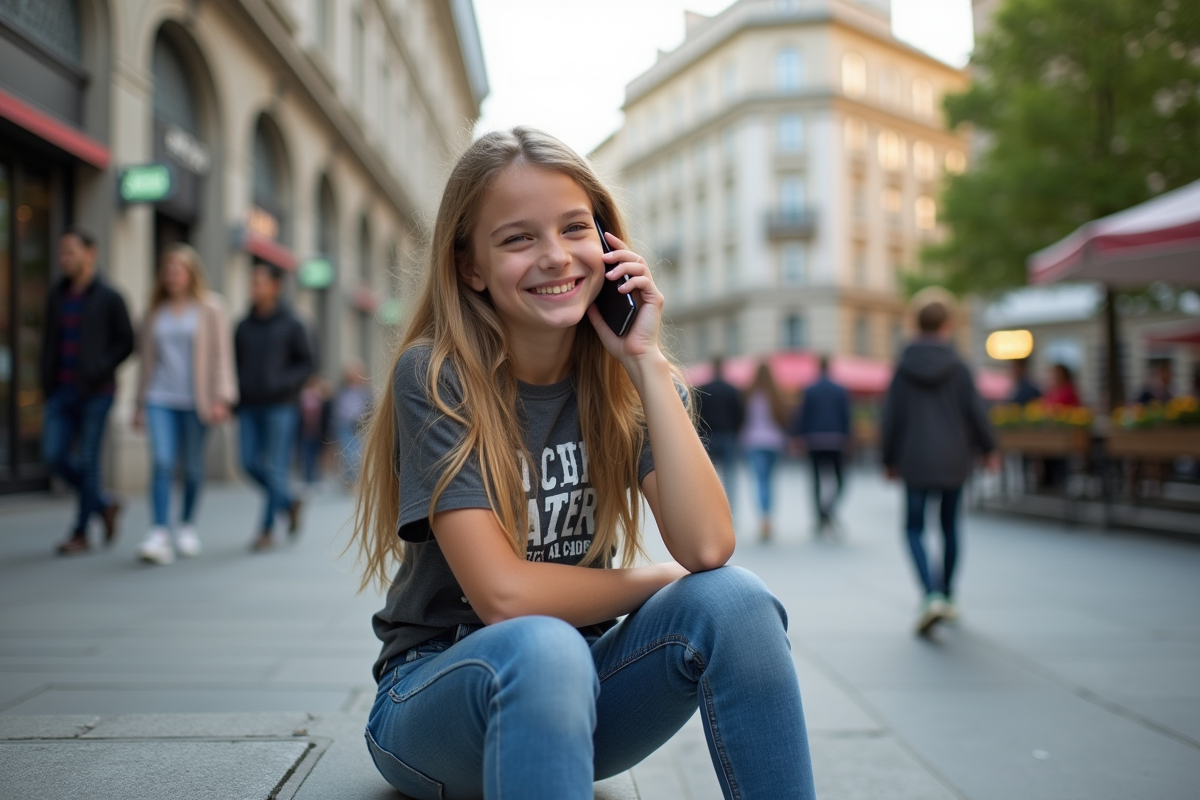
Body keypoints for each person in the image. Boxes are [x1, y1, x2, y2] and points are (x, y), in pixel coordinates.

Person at [349, 127, 814, 800]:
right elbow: (503, 595)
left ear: (608, 242)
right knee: (546, 646)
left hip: (580, 693)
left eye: (574, 229)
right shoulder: (437, 375)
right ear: (471, 267)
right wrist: (655, 580)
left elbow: (708, 548)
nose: (555, 257)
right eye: (518, 238)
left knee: (736, 601)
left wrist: (646, 362)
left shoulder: (633, 384)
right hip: (434, 698)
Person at [882, 291, 996, 636]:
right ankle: (947, 594)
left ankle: (930, 593)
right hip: (953, 457)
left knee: (914, 527)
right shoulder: (959, 367)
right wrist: (989, 449)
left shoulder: (903, 367)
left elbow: (892, 416)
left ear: (916, 323)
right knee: (949, 527)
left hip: (915, 457)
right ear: (947, 324)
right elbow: (976, 412)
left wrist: (888, 458)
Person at [132, 244, 237, 564]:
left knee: (191, 468)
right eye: (168, 270)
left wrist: (222, 397)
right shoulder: (154, 311)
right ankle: (159, 532)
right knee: (162, 462)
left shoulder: (211, 307)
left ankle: (187, 525)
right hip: (159, 397)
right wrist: (139, 404)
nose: (173, 276)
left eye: (179, 270)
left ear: (191, 274)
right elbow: (146, 363)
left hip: (197, 400)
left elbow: (222, 355)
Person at [40, 227, 133, 555]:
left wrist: (100, 369)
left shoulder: (110, 296)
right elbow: (49, 340)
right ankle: (103, 504)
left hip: (97, 392)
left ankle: (80, 532)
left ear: (90, 254)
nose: (63, 258)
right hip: (60, 390)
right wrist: (46, 381)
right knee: (53, 455)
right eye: (61, 252)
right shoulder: (57, 294)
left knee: (90, 459)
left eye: (70, 252)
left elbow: (127, 341)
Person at [234, 263, 314, 551]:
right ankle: (288, 501)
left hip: (281, 406)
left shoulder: (292, 323)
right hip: (248, 406)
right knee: (247, 463)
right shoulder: (243, 325)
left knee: (275, 467)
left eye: (259, 282)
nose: (253, 288)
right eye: (252, 282)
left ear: (275, 287)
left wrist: (283, 384)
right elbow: (234, 364)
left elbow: (306, 363)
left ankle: (266, 530)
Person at [792, 355, 851, 535]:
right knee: (840, 480)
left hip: (814, 439)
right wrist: (848, 437)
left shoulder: (810, 390)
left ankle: (820, 515)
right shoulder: (839, 390)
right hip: (836, 439)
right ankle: (828, 510)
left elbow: (803, 415)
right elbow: (846, 415)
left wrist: (798, 436)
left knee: (816, 480)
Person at [741, 361, 788, 542]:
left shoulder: (749, 395)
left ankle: (764, 519)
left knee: (761, 481)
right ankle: (768, 517)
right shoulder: (776, 395)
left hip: (754, 442)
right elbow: (784, 419)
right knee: (770, 481)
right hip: (775, 443)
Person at [695, 355, 744, 500]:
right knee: (730, 473)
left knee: (710, 473)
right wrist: (736, 431)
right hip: (728, 434)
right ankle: (729, 503)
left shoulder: (704, 389)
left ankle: (712, 501)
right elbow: (739, 414)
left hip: (709, 435)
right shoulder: (732, 390)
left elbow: (697, 414)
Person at [331, 359, 371, 488]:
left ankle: (355, 478)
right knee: (347, 453)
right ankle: (349, 479)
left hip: (358, 426)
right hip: (344, 425)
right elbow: (336, 409)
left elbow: (370, 408)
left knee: (357, 453)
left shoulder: (365, 391)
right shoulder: (341, 391)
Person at [297, 376, 332, 489]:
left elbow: (326, 416)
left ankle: (314, 476)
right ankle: (308, 476)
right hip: (305, 432)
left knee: (316, 454)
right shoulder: (303, 398)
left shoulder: (322, 398)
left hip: (318, 432)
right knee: (307, 454)